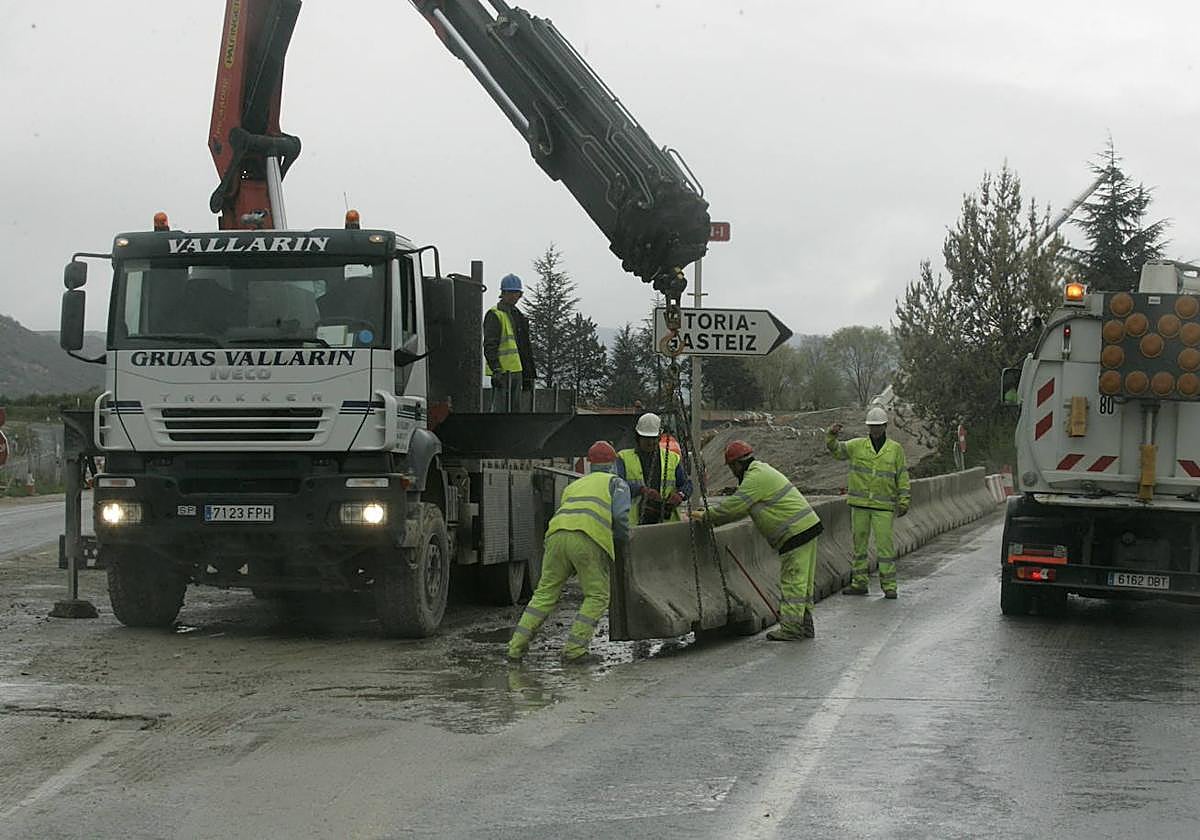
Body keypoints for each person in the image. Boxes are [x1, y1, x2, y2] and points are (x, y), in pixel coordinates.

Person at [507, 440, 631, 663]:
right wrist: (622, 542)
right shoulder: (616, 483)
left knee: (544, 594)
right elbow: (621, 518)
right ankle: (575, 650)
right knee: (597, 595)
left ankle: (515, 648)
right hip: (587, 538)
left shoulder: (573, 485)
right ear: (613, 462)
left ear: (589, 463)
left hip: (556, 536)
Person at [690, 440, 823, 641]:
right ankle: (804, 625)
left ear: (737, 464)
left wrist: (707, 517)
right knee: (802, 583)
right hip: (805, 528)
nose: (733, 472)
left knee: (793, 582)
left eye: (732, 468)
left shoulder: (754, 478)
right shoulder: (761, 471)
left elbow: (735, 507)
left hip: (795, 533)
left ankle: (792, 629)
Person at [826, 406, 911, 599]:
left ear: (885, 426)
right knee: (859, 546)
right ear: (868, 427)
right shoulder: (857, 446)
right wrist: (831, 436)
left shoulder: (895, 450)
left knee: (885, 547)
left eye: (878, 426)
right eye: (872, 426)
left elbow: (902, 477)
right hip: (860, 504)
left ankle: (889, 586)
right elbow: (837, 451)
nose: (875, 430)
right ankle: (859, 583)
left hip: (883, 506)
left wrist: (904, 500)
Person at [615, 412, 693, 525]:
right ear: (638, 437)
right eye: (646, 438)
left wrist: (680, 495)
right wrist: (641, 490)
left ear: (659, 437)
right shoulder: (623, 458)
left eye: (653, 438)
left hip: (666, 523)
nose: (650, 442)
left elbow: (687, 484)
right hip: (635, 524)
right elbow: (617, 486)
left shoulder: (671, 458)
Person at [482, 273, 536, 412]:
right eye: (510, 293)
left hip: (517, 371)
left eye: (516, 293)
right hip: (502, 374)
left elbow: (524, 347)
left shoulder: (518, 316)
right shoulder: (495, 315)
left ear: (520, 294)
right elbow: (490, 345)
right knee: (500, 412)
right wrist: (496, 369)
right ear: (503, 293)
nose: (513, 296)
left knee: (514, 412)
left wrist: (528, 375)